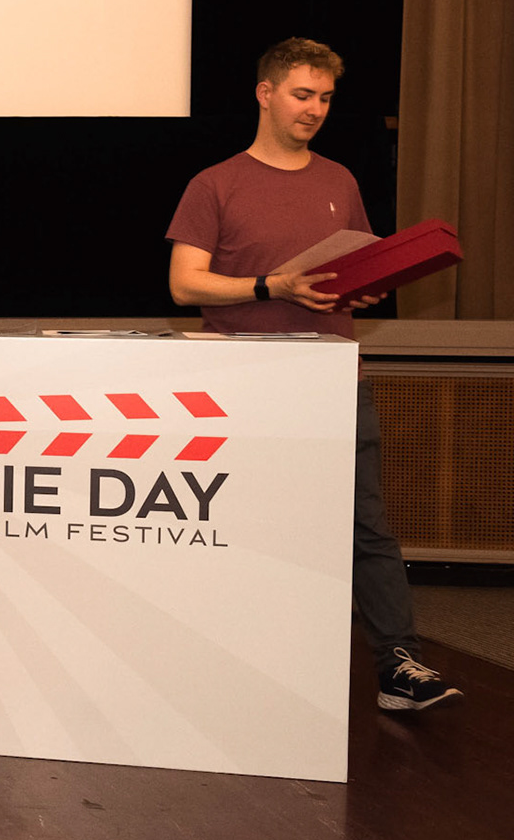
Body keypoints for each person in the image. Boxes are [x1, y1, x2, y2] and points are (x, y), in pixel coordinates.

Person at [165, 37, 461, 714]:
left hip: (333, 376)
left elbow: (354, 265)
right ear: (265, 93)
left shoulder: (339, 181)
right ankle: (234, 662)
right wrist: (273, 284)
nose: (315, 109)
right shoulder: (215, 183)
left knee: (366, 525)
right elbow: (184, 283)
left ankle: (399, 664)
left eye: (325, 98)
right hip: (245, 381)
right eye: (302, 94)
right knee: (242, 522)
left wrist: (363, 287)